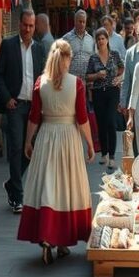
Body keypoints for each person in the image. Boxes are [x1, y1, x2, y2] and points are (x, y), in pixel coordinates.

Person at [18, 40, 95, 265]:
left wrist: (28, 141)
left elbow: (34, 116)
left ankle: (47, 237)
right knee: (67, 188)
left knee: (48, 185)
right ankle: (61, 241)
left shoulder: (40, 82)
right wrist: (90, 144)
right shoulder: (76, 83)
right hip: (68, 137)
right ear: (67, 58)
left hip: (46, 137)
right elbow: (82, 117)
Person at [0, 11, 45, 214]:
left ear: (35, 26)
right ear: (20, 24)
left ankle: (11, 184)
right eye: (25, 25)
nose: (27, 29)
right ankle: (17, 197)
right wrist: (7, 98)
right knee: (15, 148)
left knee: (30, 149)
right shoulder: (8, 45)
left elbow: (43, 77)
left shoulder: (39, 49)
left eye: (31, 26)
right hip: (15, 106)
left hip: (34, 107)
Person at [86, 28, 124, 171]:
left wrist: (118, 78)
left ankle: (112, 157)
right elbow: (87, 76)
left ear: (107, 40)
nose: (101, 41)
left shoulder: (114, 54)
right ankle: (104, 154)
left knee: (111, 122)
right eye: (98, 39)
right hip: (98, 93)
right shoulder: (93, 58)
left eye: (103, 38)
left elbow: (122, 68)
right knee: (101, 123)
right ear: (96, 42)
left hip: (112, 91)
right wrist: (97, 75)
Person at [63, 10, 95, 85]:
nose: (82, 24)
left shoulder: (90, 40)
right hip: (70, 82)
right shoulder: (66, 39)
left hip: (86, 83)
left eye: (84, 22)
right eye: (80, 21)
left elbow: (93, 60)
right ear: (75, 21)